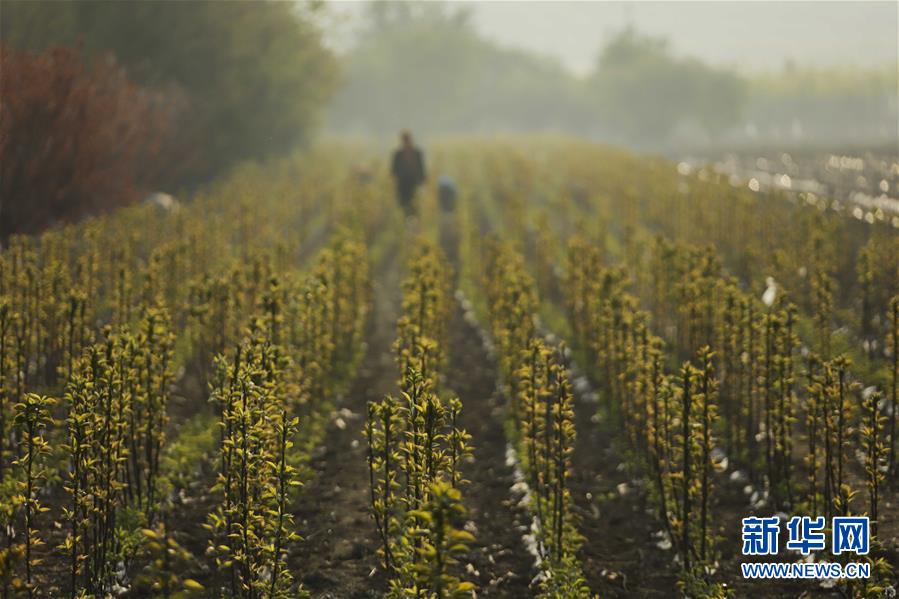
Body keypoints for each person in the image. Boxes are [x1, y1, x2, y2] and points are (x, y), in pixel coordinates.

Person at [390, 131, 426, 217]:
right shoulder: (398, 154)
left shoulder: (417, 153)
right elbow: (393, 170)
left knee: (415, 206)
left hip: (415, 183)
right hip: (402, 186)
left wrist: (422, 182)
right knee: (403, 206)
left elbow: (422, 169)